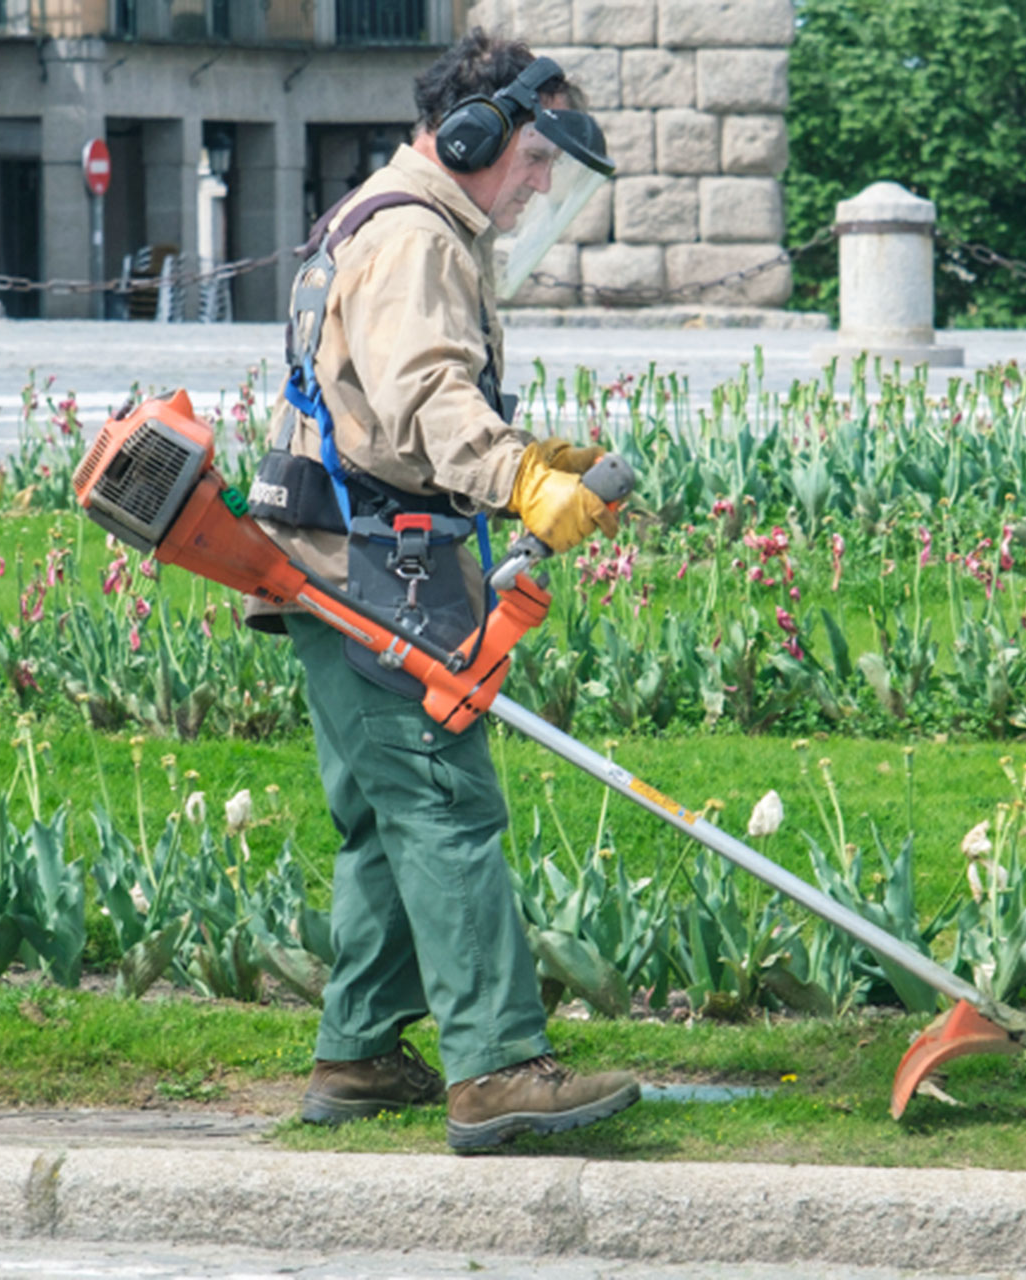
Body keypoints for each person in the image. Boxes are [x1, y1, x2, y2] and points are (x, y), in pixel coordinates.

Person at [243, 29, 636, 1152]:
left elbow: (391, 403)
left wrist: (529, 454)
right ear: (477, 132)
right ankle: (501, 1069)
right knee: (446, 807)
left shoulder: (393, 216)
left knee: (384, 817)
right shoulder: (417, 234)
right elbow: (421, 392)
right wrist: (517, 478)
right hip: (374, 566)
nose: (542, 182)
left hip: (344, 556)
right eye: (536, 156)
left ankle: (360, 1054)